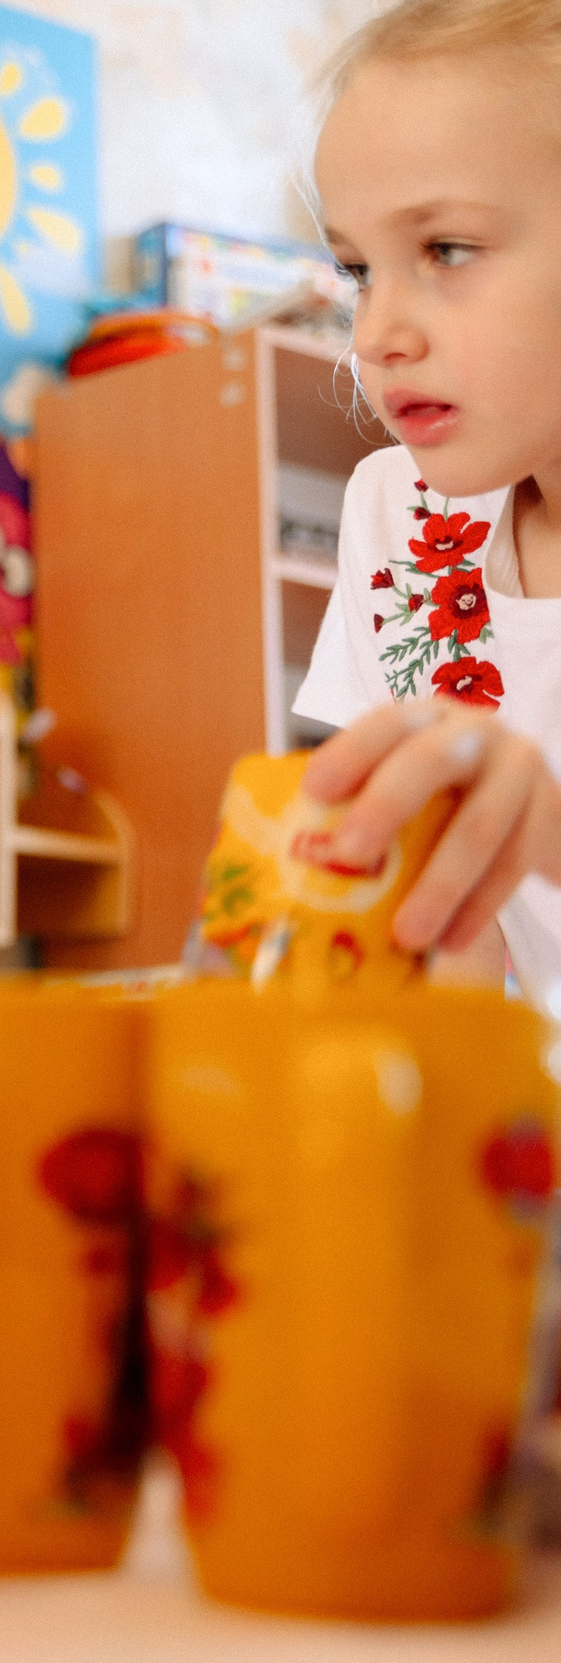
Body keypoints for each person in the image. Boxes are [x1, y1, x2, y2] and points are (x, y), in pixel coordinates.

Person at [294, 0, 561, 1002]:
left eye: (444, 250)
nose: (374, 333)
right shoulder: (394, 508)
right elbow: (438, 927)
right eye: (357, 268)